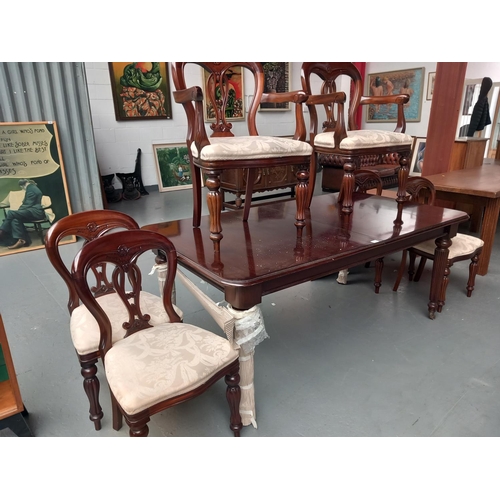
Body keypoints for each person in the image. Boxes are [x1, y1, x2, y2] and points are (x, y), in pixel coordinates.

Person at [0, 179, 46, 250]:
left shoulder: (31, 189)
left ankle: (2, 231)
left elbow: (27, 204)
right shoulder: (32, 188)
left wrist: (18, 211)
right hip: (32, 211)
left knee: (11, 213)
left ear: (22, 185)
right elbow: (28, 204)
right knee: (15, 218)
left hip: (35, 213)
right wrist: (18, 213)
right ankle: (22, 240)